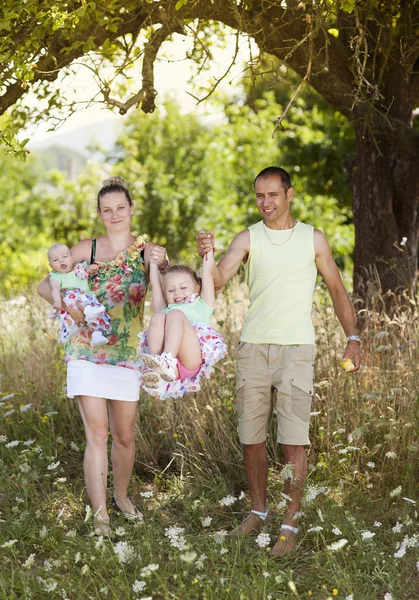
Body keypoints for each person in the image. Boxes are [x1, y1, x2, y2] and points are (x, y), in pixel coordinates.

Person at [197, 166, 361, 557]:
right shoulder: (248, 237)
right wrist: (206, 255)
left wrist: (352, 337)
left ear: (289, 194)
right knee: (251, 439)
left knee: (292, 442)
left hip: (296, 351)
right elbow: (217, 281)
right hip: (254, 347)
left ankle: (289, 526)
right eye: (259, 196)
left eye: (272, 194)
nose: (265, 203)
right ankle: (257, 511)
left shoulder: (313, 239)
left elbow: (337, 289)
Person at [38, 176, 168, 535]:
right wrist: (71, 310)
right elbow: (43, 285)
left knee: (125, 436)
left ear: (131, 210)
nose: (114, 215)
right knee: (98, 434)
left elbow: (167, 298)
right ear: (100, 213)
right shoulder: (85, 249)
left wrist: (163, 262)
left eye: (120, 208)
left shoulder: (147, 251)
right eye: (107, 210)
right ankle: (101, 517)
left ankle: (122, 497)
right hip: (86, 350)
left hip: (128, 352)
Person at [137, 249, 227, 400]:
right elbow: (155, 284)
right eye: (171, 290)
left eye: (183, 288)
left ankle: (167, 360)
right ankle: (156, 366)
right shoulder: (165, 308)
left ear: (197, 288)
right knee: (158, 317)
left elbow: (207, 274)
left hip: (190, 359)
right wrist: (152, 263)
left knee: (175, 315)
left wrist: (208, 251)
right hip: (171, 372)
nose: (177, 293)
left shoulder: (202, 304)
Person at [47, 243, 111, 346]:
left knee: (98, 315)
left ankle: (97, 335)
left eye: (64, 257)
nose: (61, 261)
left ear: (72, 259)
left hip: (88, 298)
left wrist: (93, 268)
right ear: (51, 266)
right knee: (79, 301)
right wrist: (57, 301)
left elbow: (89, 271)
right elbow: (55, 289)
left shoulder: (79, 267)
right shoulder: (56, 276)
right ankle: (87, 311)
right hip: (72, 299)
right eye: (55, 260)